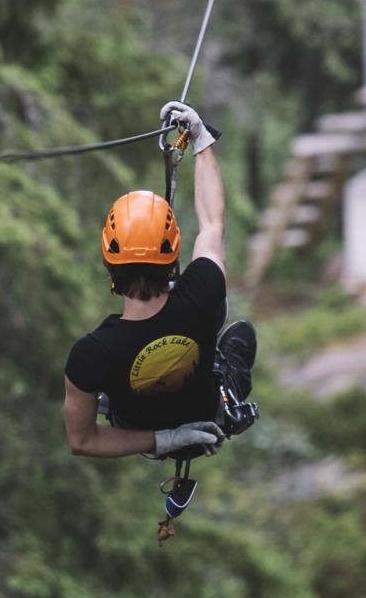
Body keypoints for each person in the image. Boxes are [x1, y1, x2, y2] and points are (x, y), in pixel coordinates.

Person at [62, 101, 259, 465]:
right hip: (207, 415)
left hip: (134, 422)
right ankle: (228, 389)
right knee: (239, 335)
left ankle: (111, 395)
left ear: (109, 263)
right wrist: (200, 141)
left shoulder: (90, 356)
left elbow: (82, 440)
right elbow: (212, 224)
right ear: (172, 255)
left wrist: (160, 440)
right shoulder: (203, 292)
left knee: (100, 386)